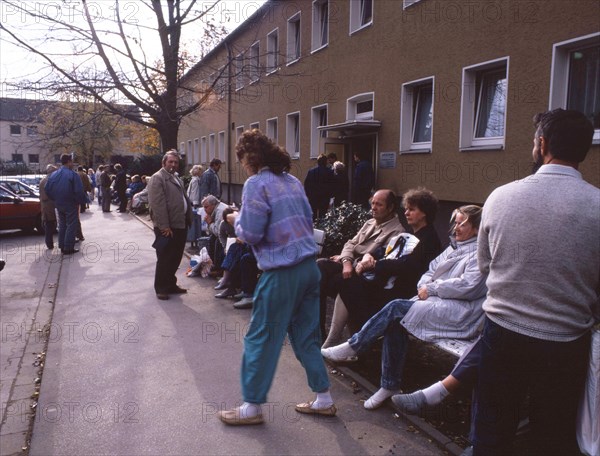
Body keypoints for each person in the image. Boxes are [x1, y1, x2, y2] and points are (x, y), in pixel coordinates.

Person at [472, 109, 599, 455]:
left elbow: (485, 267)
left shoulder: (500, 197)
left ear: (541, 144)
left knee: (492, 432)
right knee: (552, 437)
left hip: (503, 333)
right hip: (566, 342)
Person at [218, 129, 335, 425]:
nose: (242, 164)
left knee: (261, 337)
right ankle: (323, 399)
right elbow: (307, 220)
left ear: (250, 157)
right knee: (306, 336)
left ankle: (251, 408)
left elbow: (252, 232)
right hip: (309, 268)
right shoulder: (292, 181)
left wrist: (235, 219)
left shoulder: (257, 183)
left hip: (282, 271)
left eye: (241, 158)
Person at [322, 205, 487, 410]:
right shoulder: (455, 246)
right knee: (396, 322)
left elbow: (469, 286)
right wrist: (426, 286)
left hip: (460, 313)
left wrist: (432, 288)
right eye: (455, 222)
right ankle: (389, 385)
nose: (456, 227)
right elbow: (429, 271)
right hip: (436, 303)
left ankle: (355, 346)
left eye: (462, 223)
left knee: (396, 308)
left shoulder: (480, 253)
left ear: (477, 228)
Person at [324, 187, 442, 345]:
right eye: (406, 209)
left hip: (404, 294)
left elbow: (404, 266)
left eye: (411, 210)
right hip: (389, 284)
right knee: (339, 278)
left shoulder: (428, 239)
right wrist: (368, 257)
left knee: (347, 283)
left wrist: (373, 265)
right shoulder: (413, 234)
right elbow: (385, 252)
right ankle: (350, 341)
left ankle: (352, 342)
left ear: (425, 213)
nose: (406, 213)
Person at [317, 189, 404, 340]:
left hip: (362, 274)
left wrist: (349, 261)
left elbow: (378, 260)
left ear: (390, 208)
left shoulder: (397, 232)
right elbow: (350, 243)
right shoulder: (370, 222)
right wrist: (346, 261)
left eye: (379, 205)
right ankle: (318, 331)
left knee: (327, 282)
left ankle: (328, 338)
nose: (373, 208)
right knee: (320, 266)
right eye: (372, 203)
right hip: (350, 266)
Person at [147, 150, 192, 301]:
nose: (173, 165)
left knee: (175, 258)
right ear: (164, 163)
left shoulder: (175, 178)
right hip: (167, 227)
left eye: (176, 162)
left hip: (180, 224)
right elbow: (157, 205)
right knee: (165, 258)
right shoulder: (158, 178)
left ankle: (171, 284)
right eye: (170, 162)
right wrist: (164, 226)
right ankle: (161, 288)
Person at [44, 154, 88, 255]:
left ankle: (62, 245)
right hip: (70, 203)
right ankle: (68, 247)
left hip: (59, 203)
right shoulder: (73, 174)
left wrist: (55, 198)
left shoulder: (54, 174)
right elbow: (78, 191)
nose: (72, 163)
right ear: (69, 161)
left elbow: (47, 188)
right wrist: (80, 201)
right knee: (71, 225)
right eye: (71, 161)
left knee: (63, 224)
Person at [201, 195, 229, 275]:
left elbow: (217, 232)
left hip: (228, 235)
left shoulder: (220, 211)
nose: (205, 210)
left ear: (213, 205)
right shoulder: (216, 209)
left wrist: (210, 223)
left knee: (217, 241)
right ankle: (215, 265)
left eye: (206, 207)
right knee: (212, 239)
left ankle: (219, 268)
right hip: (225, 233)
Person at [304, 153, 335, 220]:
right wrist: (331, 196)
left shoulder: (311, 172)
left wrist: (308, 195)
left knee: (313, 215)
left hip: (313, 197)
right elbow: (332, 185)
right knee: (323, 215)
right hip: (324, 197)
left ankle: (314, 228)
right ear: (325, 162)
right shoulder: (330, 172)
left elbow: (306, 184)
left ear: (318, 162)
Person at [39, 164, 58, 250]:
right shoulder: (50, 180)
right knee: (50, 225)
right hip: (50, 205)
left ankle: (49, 243)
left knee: (48, 225)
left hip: (46, 205)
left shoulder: (43, 180)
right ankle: (50, 244)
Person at [186, 165, 204, 249]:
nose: (202, 173)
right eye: (201, 171)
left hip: (191, 203)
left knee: (193, 224)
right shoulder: (196, 180)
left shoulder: (193, 179)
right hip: (194, 204)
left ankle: (194, 242)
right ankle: (195, 242)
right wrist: (196, 203)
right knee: (195, 224)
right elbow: (195, 193)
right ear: (198, 172)